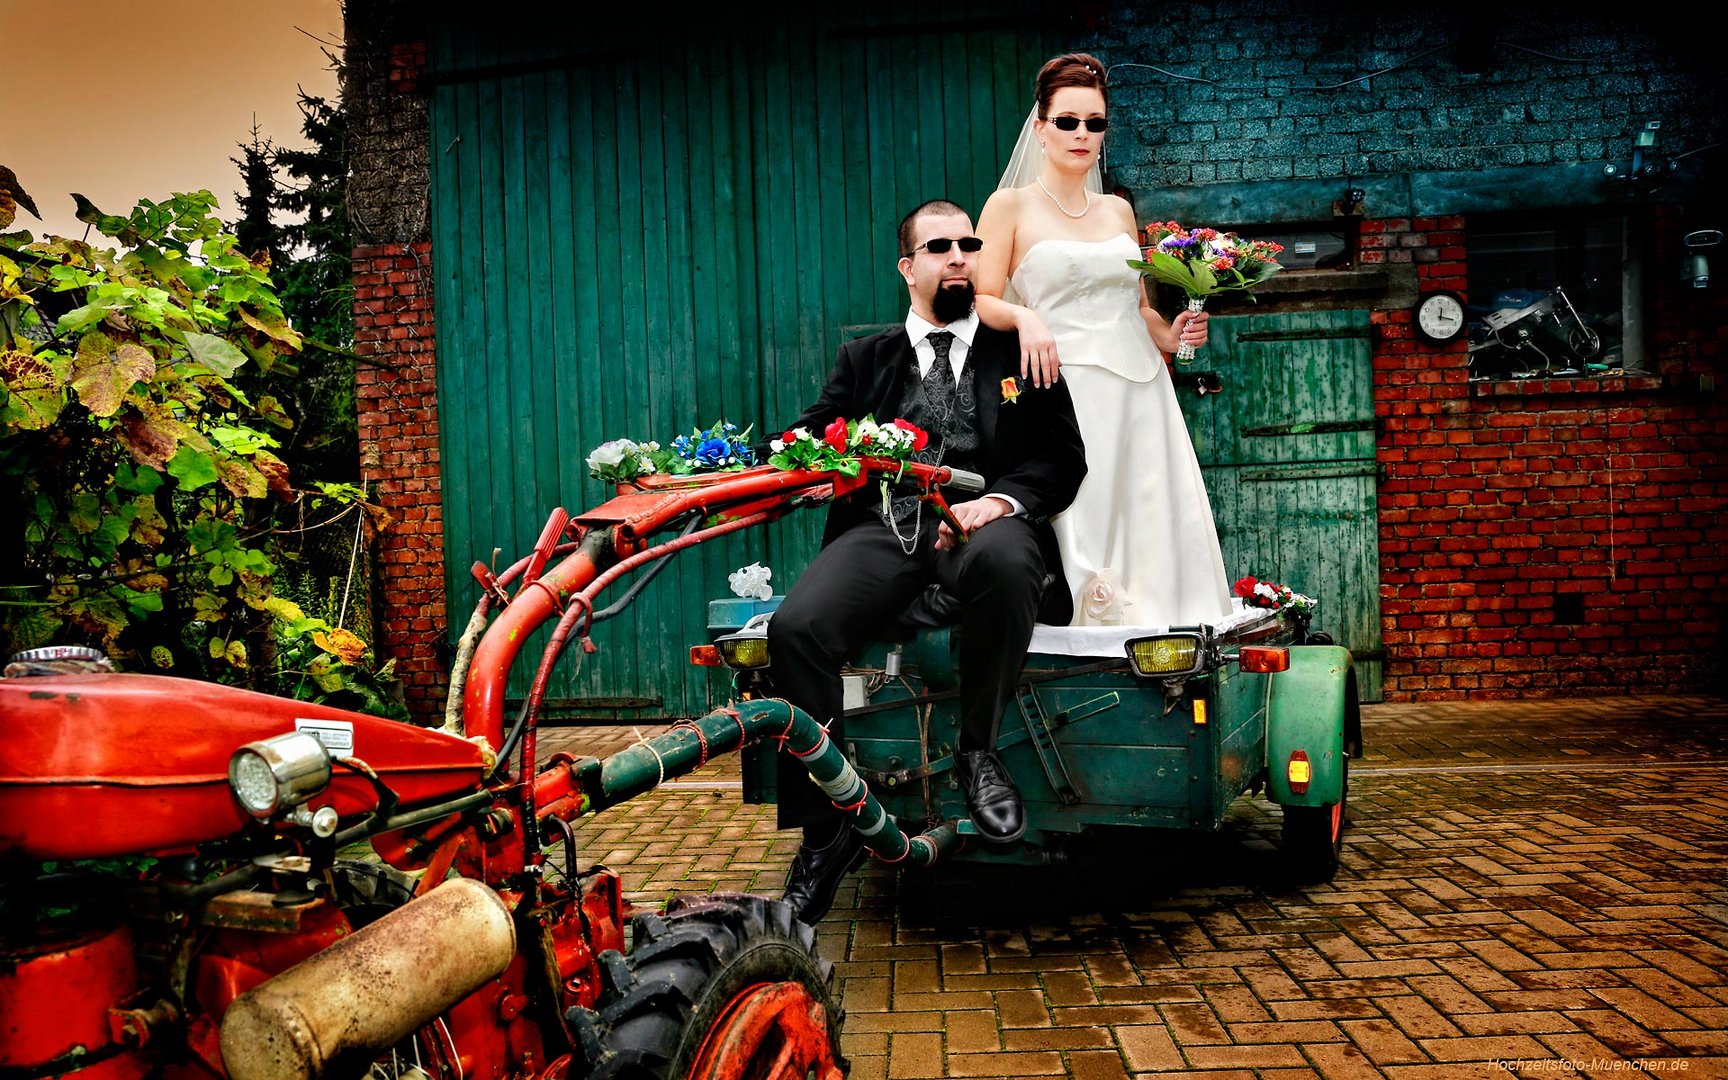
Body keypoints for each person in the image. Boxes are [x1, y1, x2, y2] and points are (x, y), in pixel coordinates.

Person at [766, 198, 1087, 923]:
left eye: (968, 244)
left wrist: (1000, 504)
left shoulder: (1019, 354)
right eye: (939, 246)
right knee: (795, 630)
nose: (959, 256)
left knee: (1010, 563)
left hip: (983, 525)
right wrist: (749, 461)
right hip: (887, 529)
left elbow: (1065, 461)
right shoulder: (865, 358)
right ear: (908, 267)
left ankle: (979, 753)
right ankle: (830, 829)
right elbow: (807, 440)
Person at [975, 52, 1233, 629]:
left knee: (1151, 509)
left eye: (1095, 123)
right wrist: (1026, 319)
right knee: (1088, 511)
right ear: (1040, 127)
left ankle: (1173, 630)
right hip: (1067, 390)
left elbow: (1137, 308)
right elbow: (982, 298)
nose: (1082, 134)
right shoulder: (1008, 207)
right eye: (1067, 121)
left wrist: (1176, 333)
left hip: (1141, 389)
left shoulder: (1119, 211)